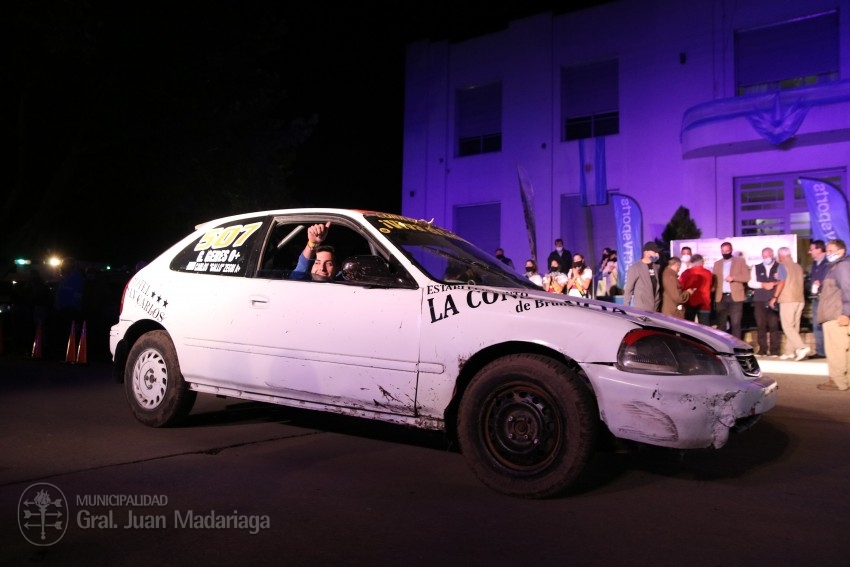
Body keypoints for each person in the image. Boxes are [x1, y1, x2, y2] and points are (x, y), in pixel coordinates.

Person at [816, 239, 850, 391]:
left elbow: (847, 290)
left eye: (830, 251)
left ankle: (837, 381)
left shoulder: (842, 266)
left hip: (836, 316)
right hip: (834, 314)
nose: (827, 253)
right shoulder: (835, 267)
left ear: (841, 251)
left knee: (836, 349)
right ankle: (845, 379)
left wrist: (846, 313)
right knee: (843, 349)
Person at [771, 246, 810, 360]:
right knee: (794, 326)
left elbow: (782, 282)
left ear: (780, 256)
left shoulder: (782, 266)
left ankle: (801, 347)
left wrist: (774, 297)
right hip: (800, 299)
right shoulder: (798, 266)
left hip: (788, 299)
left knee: (787, 326)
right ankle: (790, 352)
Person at [747, 247, 782, 357]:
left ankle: (774, 351)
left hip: (773, 299)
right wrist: (762, 285)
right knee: (760, 325)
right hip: (759, 299)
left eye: (768, 256)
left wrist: (774, 284)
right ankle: (762, 349)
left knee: (773, 325)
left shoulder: (780, 267)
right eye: (764, 256)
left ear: (772, 255)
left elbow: (783, 282)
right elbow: (751, 283)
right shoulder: (756, 267)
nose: (766, 258)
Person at [712, 241, 749, 339]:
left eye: (727, 251)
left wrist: (734, 278)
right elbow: (714, 280)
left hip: (736, 297)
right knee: (721, 323)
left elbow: (746, 277)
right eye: (723, 251)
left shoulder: (740, 261)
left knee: (736, 323)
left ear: (731, 250)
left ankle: (737, 347)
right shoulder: (717, 263)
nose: (725, 253)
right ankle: (722, 346)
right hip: (721, 296)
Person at [623, 241, 662, 312]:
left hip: (656, 310)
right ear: (646, 252)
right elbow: (629, 289)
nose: (657, 254)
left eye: (657, 252)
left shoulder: (656, 267)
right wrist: (626, 308)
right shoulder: (635, 268)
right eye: (654, 252)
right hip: (642, 310)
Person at [807, 239, 830, 358]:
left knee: (827, 325)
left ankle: (828, 351)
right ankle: (820, 351)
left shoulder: (829, 263)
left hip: (827, 299)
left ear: (819, 249)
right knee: (816, 324)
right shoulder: (815, 264)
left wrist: (820, 283)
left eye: (811, 249)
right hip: (816, 298)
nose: (809, 252)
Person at [679, 254, 712, 325]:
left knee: (688, 329)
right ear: (702, 262)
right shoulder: (708, 273)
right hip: (704, 304)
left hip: (689, 303)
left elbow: (681, 287)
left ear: (691, 262)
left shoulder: (686, 273)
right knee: (705, 329)